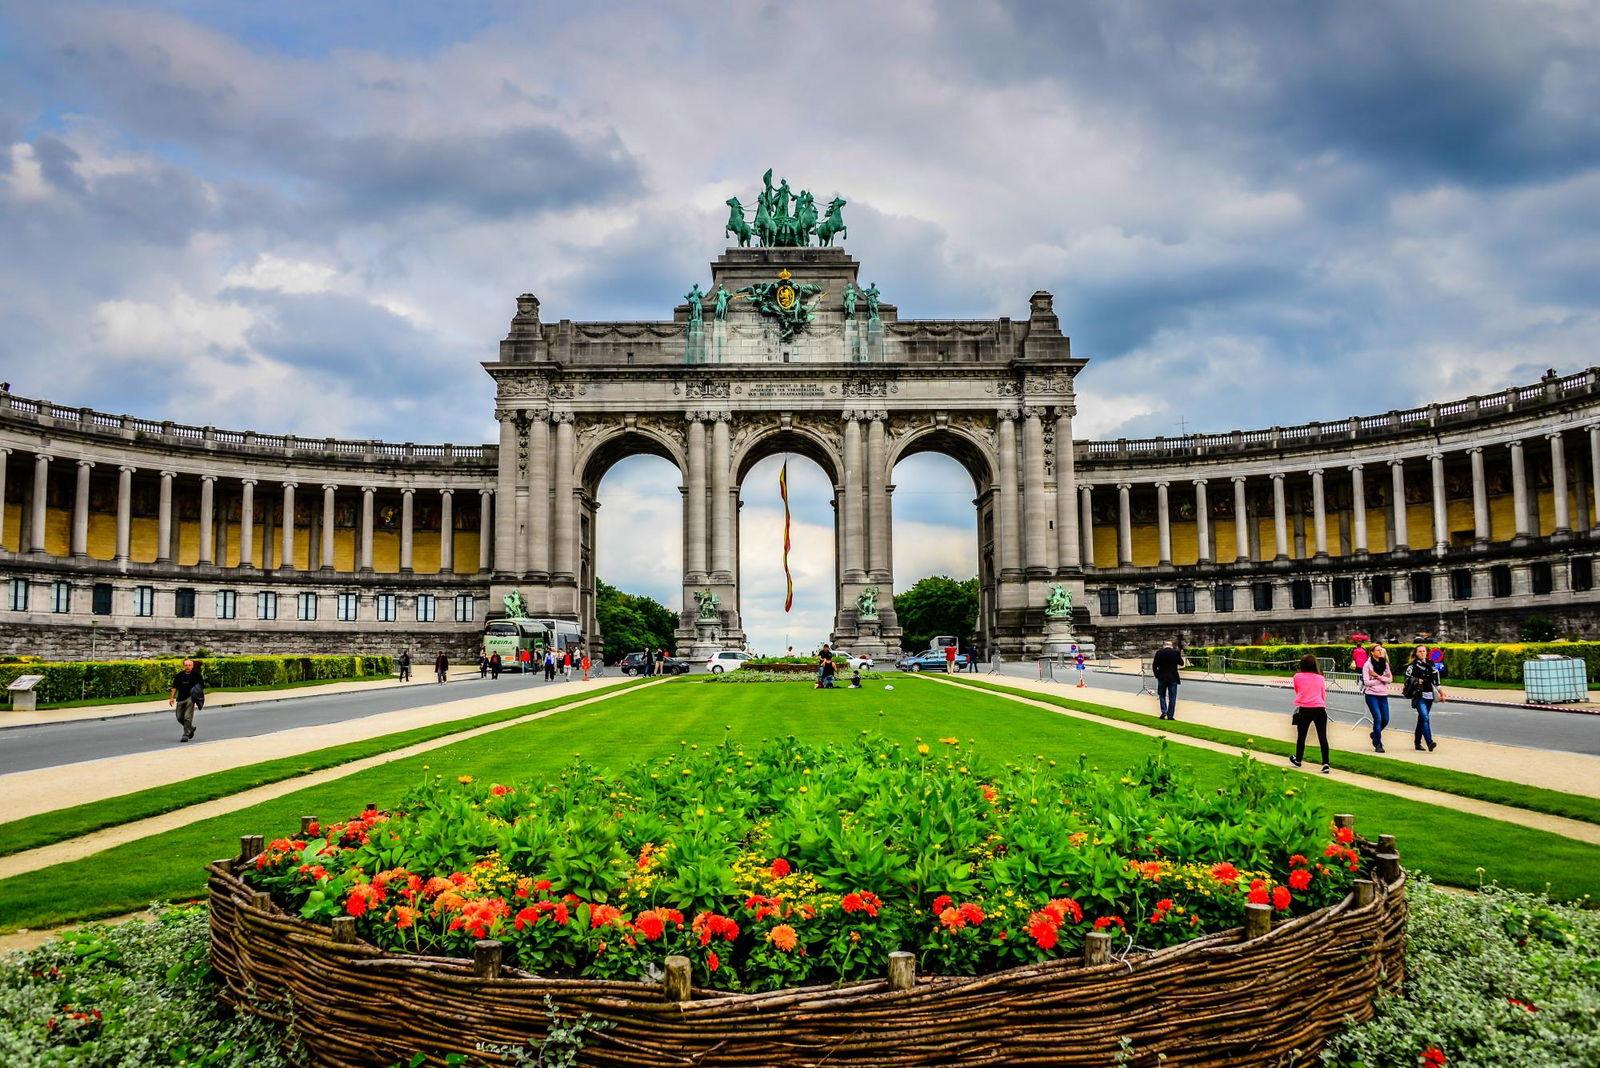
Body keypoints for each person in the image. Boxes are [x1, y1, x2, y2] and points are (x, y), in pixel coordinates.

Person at [1289, 653, 1332, 773]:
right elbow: (1323, 693)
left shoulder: (1297, 676)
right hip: (1319, 708)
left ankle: (1298, 759)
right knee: (1322, 737)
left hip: (1304, 708)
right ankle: (1326, 763)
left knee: (1301, 736)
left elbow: (1297, 690)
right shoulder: (1320, 678)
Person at [1404, 645, 1445, 752]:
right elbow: (1407, 679)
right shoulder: (1412, 666)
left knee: (1422, 720)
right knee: (1425, 717)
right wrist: (1417, 680)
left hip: (1429, 696)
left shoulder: (1431, 664)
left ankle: (1417, 743)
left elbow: (1436, 681)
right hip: (1419, 695)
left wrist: (1442, 693)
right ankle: (1430, 742)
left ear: (1427, 653)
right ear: (1416, 653)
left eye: (1424, 651)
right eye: (1420, 651)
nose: (1422, 653)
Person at [1360, 643, 1394, 752]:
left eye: (1381, 650)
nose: (1380, 652)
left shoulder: (1385, 664)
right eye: (1378, 650)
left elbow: (1390, 679)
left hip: (1383, 695)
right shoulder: (1367, 665)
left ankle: (1374, 734)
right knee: (1378, 718)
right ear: (1372, 652)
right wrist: (1380, 680)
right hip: (1371, 695)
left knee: (1385, 719)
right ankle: (1378, 743)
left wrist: (1377, 676)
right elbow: (1366, 682)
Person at [169, 658, 202, 742]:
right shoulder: (179, 675)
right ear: (183, 666)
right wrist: (172, 697)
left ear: (192, 666)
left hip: (190, 698)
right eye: (186, 665)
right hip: (180, 698)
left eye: (189, 665)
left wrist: (197, 694)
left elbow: (201, 686)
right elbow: (174, 687)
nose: (188, 667)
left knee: (187, 717)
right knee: (179, 717)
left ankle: (186, 734)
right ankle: (190, 728)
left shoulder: (196, 675)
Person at [1151, 641, 1184, 720]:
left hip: (1162, 676)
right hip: (1173, 677)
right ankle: (1170, 715)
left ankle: (1164, 711)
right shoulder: (1175, 653)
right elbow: (1181, 663)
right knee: (1172, 697)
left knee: (1162, 695)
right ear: (1171, 646)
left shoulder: (1159, 653)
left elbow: (1154, 666)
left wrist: (1157, 675)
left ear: (1164, 646)